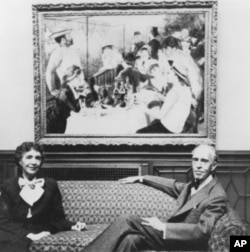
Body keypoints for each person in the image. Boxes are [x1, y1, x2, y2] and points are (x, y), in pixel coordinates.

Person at [82, 144, 228, 252]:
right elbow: (171, 185)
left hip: (184, 243)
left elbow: (202, 231)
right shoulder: (191, 186)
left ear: (214, 165)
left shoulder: (216, 196)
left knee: (127, 219)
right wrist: (142, 178)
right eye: (195, 160)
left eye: (204, 161)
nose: (198, 165)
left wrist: (163, 226)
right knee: (131, 240)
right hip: (169, 238)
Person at [0, 142, 86, 252]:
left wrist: (73, 225)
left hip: (40, 229)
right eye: (29, 157)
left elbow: (57, 218)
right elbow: (3, 219)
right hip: (14, 231)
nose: (34, 162)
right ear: (20, 161)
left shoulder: (51, 185)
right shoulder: (8, 185)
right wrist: (28, 235)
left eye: (38, 158)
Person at [136, 61, 192, 134]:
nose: (167, 75)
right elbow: (177, 105)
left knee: (138, 133)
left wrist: (144, 108)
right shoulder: (186, 88)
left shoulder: (174, 92)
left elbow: (160, 115)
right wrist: (163, 98)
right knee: (152, 123)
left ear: (175, 76)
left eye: (169, 73)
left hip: (168, 129)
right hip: (178, 128)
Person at [45, 29, 84, 96]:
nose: (72, 38)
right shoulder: (58, 52)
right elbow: (49, 71)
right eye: (69, 36)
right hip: (69, 91)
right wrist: (52, 90)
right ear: (63, 40)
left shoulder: (73, 51)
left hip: (80, 90)